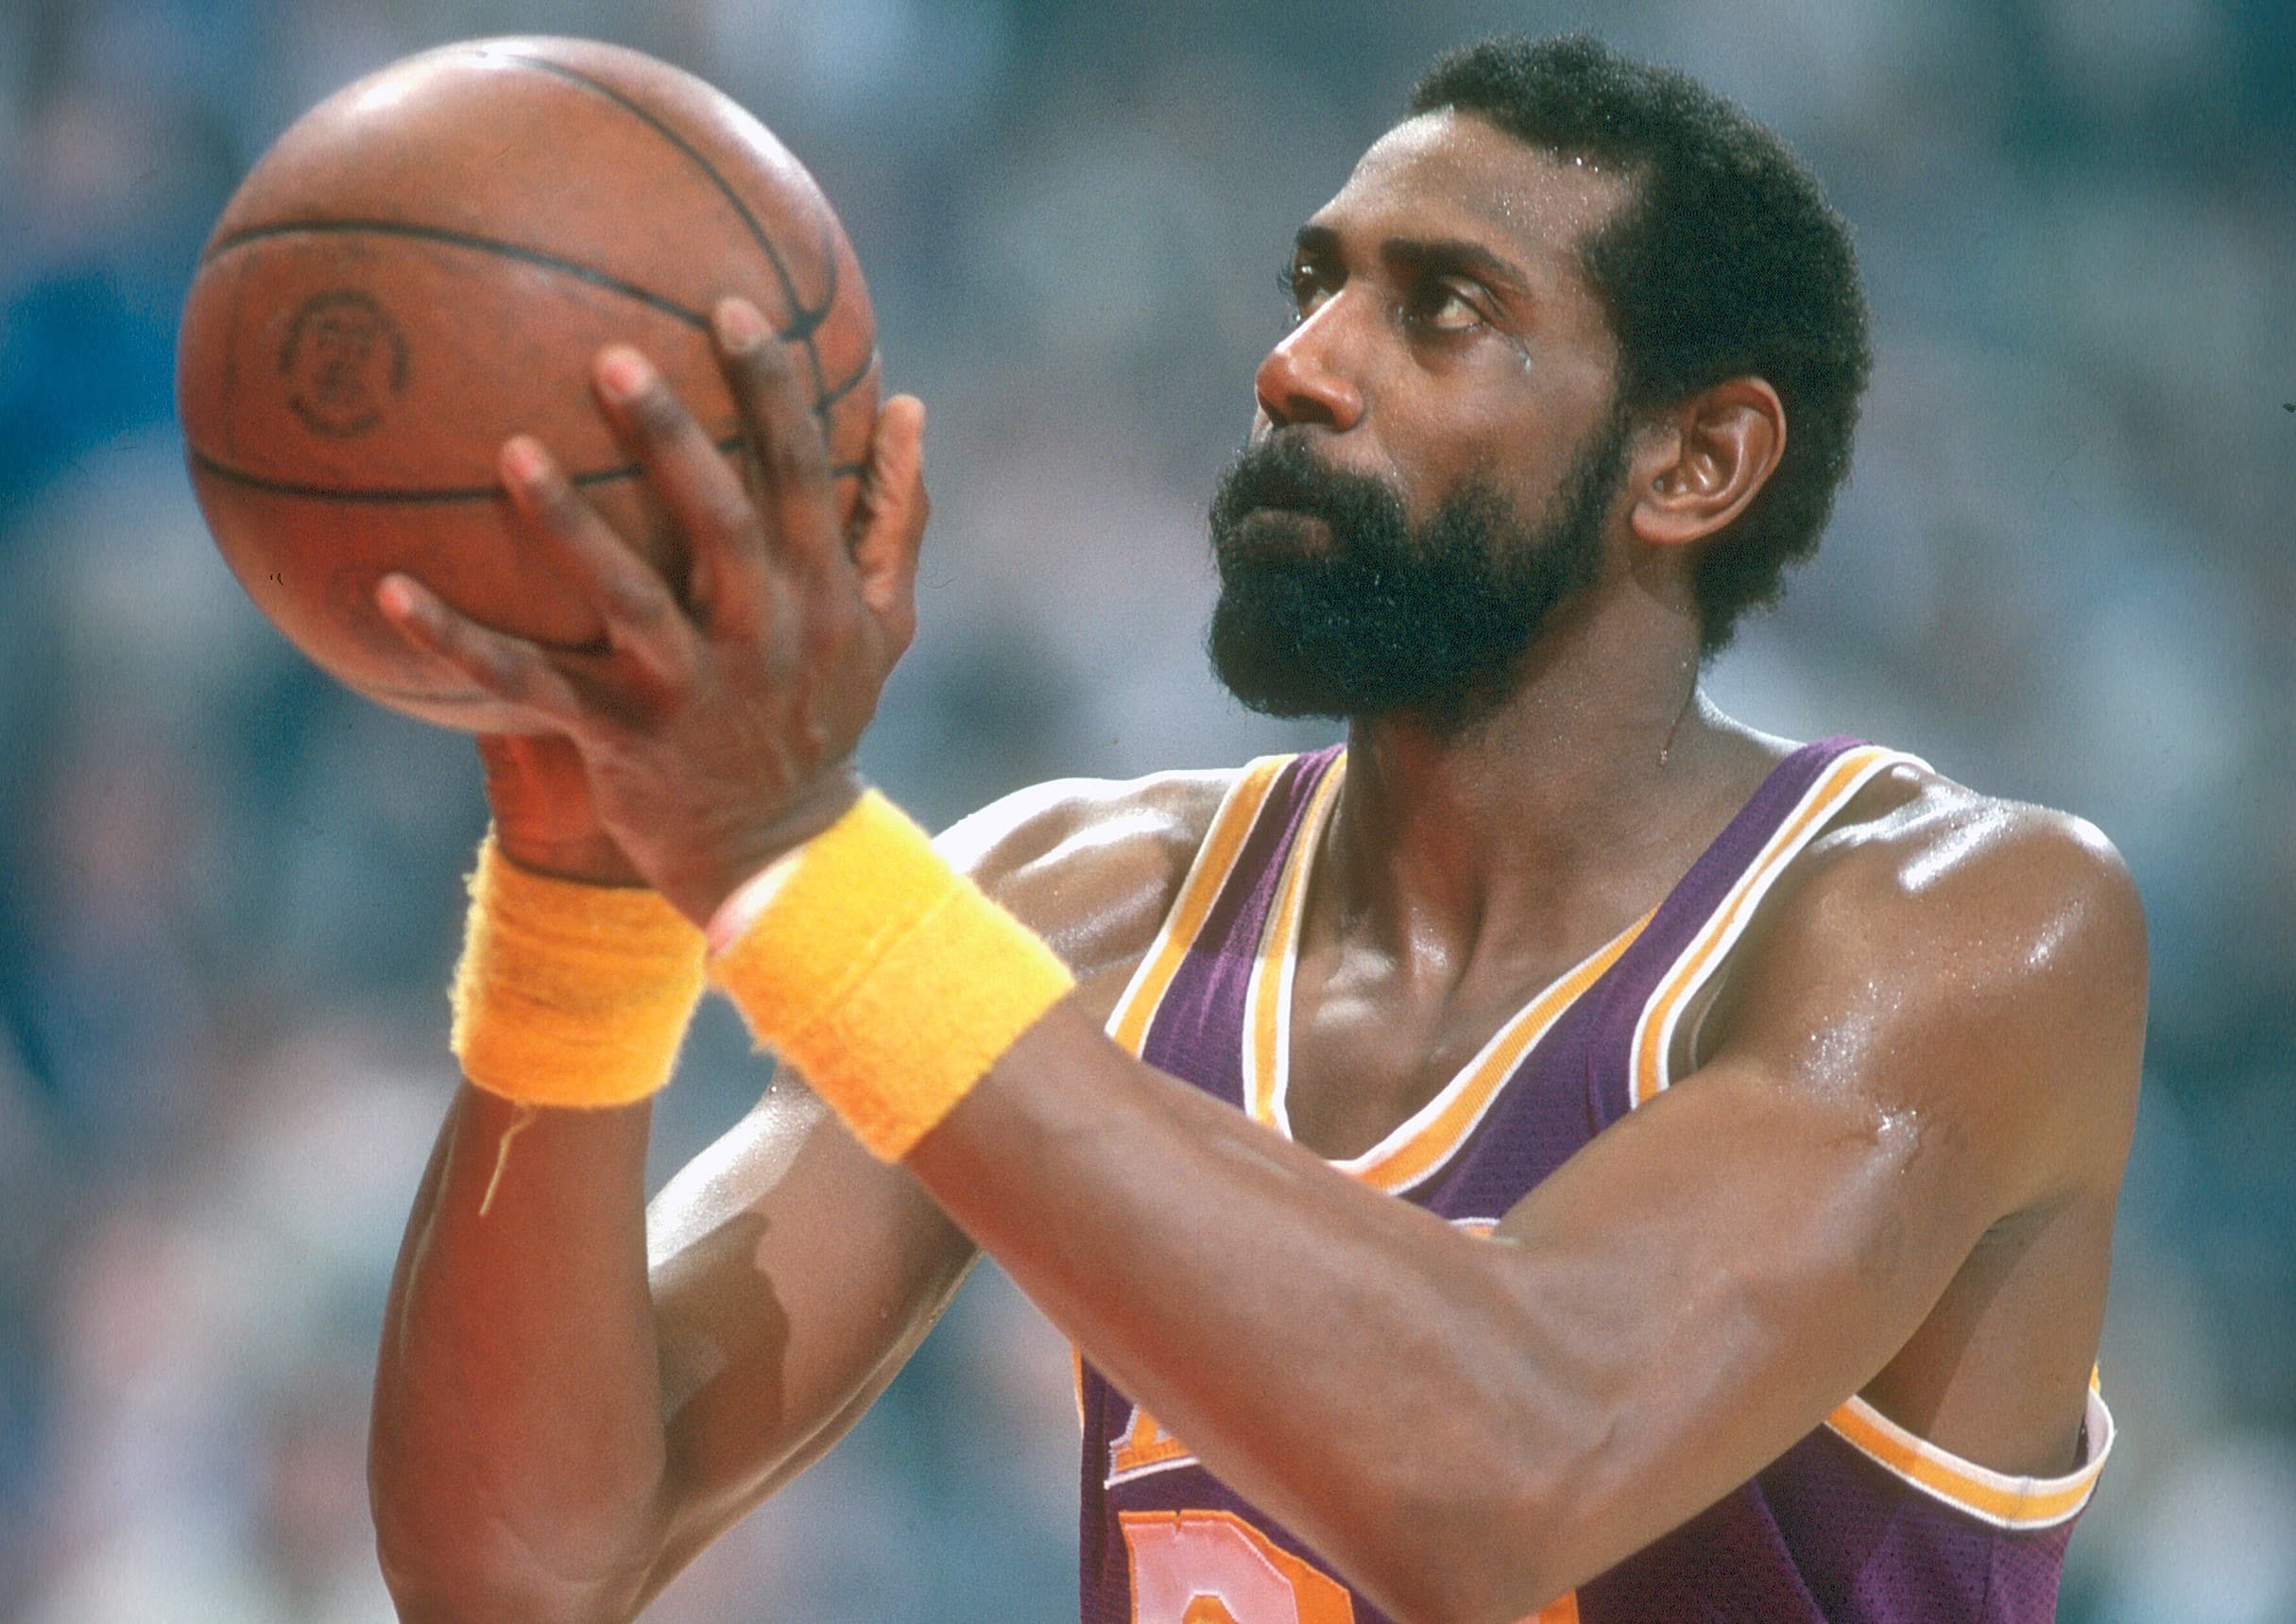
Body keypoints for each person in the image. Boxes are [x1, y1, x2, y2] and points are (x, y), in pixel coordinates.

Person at [365, 35, 2145, 1624]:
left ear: (1693, 463)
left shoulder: (1965, 928)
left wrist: (788, 854)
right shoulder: (1069, 907)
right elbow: (520, 1565)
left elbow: (1504, 1479)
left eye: (1438, 307)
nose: (1298, 364)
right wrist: (585, 877)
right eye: (1314, 283)